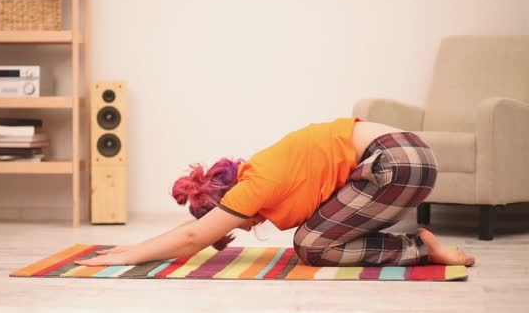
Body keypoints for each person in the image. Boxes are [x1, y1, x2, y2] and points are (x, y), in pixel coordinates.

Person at [76, 117, 475, 267]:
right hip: (409, 160)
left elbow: (194, 238)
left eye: (231, 220)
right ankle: (420, 246)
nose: (244, 228)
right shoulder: (267, 172)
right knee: (319, 236)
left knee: (312, 245)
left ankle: (420, 248)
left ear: (227, 199)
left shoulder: (256, 184)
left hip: (396, 163)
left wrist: (127, 255)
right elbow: (195, 233)